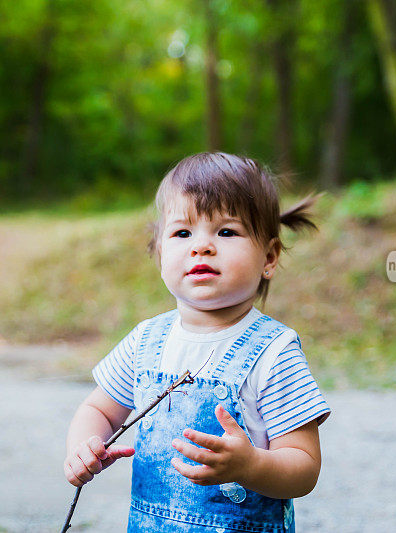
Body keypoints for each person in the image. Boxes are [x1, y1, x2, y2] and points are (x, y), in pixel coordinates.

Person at [63, 152, 331, 532]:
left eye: (226, 232)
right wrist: (84, 445)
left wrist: (252, 466)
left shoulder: (274, 351)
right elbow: (100, 411)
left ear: (269, 257)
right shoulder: (146, 341)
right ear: (160, 254)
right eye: (182, 233)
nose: (201, 246)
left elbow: (304, 465)